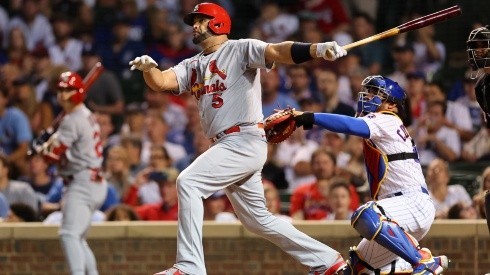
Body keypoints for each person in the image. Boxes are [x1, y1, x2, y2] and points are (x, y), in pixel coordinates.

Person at [128, 2, 348, 275]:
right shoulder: (193, 63)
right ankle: (328, 261)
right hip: (225, 144)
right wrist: (149, 68)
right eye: (193, 21)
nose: (194, 26)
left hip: (243, 138)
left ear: (218, 22)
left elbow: (277, 51)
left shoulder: (240, 48)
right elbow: (162, 82)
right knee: (258, 220)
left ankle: (190, 266)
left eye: (200, 20)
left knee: (188, 182)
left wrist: (315, 49)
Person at [292, 75, 448, 274]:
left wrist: (309, 117)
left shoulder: (388, 119)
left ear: (392, 105)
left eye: (375, 94)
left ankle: (422, 261)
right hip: (397, 217)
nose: (368, 96)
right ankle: (411, 262)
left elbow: (350, 126)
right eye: (368, 92)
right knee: (354, 269)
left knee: (366, 214)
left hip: (410, 203)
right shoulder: (386, 125)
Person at [35, 71, 107, 275]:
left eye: (68, 90)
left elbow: (52, 156)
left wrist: (43, 148)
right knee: (78, 238)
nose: (64, 94)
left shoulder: (72, 119)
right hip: (90, 180)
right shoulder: (82, 114)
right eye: (61, 90)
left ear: (78, 92)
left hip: (82, 181)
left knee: (68, 234)